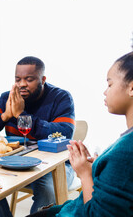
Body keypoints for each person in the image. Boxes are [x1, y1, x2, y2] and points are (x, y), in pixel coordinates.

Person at [28, 52, 133, 217]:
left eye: (110, 85)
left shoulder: (125, 151)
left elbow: (97, 214)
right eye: (17, 79)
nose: (105, 92)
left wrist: (84, 173)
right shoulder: (126, 142)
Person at [0, 56, 75, 215]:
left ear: (43, 79)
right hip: (17, 163)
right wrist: (5, 116)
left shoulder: (61, 97)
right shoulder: (6, 98)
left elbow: (64, 133)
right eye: (18, 79)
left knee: (47, 188)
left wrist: (20, 115)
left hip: (56, 166)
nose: (22, 84)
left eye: (29, 79)